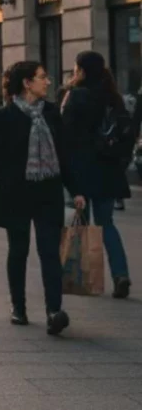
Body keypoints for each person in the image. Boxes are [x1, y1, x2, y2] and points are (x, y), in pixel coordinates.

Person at [0, 61, 84, 334]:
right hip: (16, 192)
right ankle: (19, 307)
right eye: (42, 77)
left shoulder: (51, 113)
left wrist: (76, 189)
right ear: (26, 83)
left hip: (48, 191)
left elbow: (63, 154)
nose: (47, 82)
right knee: (19, 250)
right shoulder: (5, 116)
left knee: (49, 252)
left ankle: (54, 311)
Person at [62, 51, 133, 299]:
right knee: (107, 223)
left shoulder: (76, 96)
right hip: (108, 169)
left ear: (81, 70)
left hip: (83, 168)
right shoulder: (113, 97)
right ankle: (120, 274)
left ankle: (83, 275)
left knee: (82, 219)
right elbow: (127, 133)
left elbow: (66, 133)